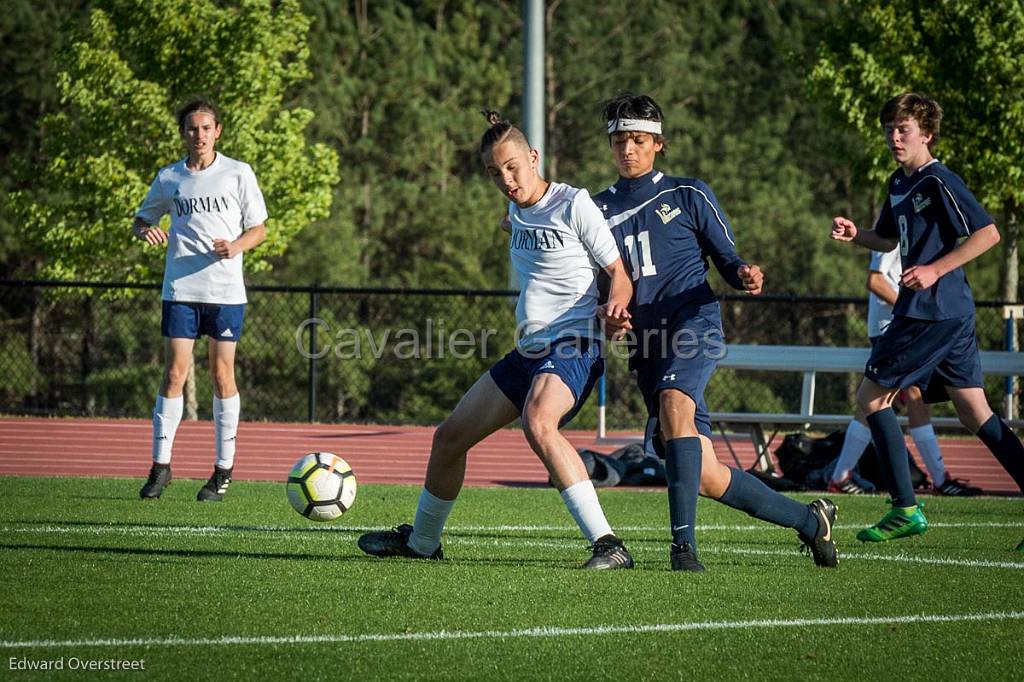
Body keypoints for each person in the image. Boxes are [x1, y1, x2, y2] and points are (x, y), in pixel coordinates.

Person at [358, 111, 637, 569]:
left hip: (573, 344)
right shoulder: (516, 207)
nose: (506, 179)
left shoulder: (574, 203)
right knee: (448, 438)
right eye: (494, 172)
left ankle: (609, 545)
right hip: (528, 351)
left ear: (534, 157)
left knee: (539, 422)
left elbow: (617, 274)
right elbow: (523, 227)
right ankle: (423, 544)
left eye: (512, 167)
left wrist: (617, 307)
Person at [594, 93, 838, 571]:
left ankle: (682, 550)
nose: (628, 149)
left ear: (659, 144)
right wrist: (612, 314)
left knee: (673, 405)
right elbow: (603, 282)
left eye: (639, 140)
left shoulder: (689, 193)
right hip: (647, 344)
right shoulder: (596, 208)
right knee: (703, 473)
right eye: (620, 140)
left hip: (694, 322)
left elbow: (726, 258)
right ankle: (811, 522)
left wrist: (744, 271)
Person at [831, 92, 1024, 544]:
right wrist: (856, 235)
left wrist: (937, 268)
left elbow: (989, 233)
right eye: (889, 130)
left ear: (927, 134)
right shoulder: (899, 183)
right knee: (975, 411)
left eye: (904, 130)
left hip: (932, 312)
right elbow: (886, 239)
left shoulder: (939, 179)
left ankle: (904, 507)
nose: (894, 138)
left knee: (871, 398)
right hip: (945, 314)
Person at [134, 99, 268, 502]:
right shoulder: (170, 177)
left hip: (225, 292)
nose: (200, 135)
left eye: (206, 128)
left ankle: (223, 471)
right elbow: (143, 218)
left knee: (221, 375)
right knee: (174, 373)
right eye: (193, 129)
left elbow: (259, 229)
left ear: (218, 131)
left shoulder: (238, 172)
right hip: (180, 291)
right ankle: (160, 467)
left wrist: (236, 246)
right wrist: (145, 230)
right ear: (185, 133)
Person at [829, 246, 981, 496]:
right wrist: (912, 307)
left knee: (903, 399)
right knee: (901, 398)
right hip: (894, 327)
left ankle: (841, 476)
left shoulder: (911, 225)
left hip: (905, 327)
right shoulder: (898, 226)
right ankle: (940, 480)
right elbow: (875, 280)